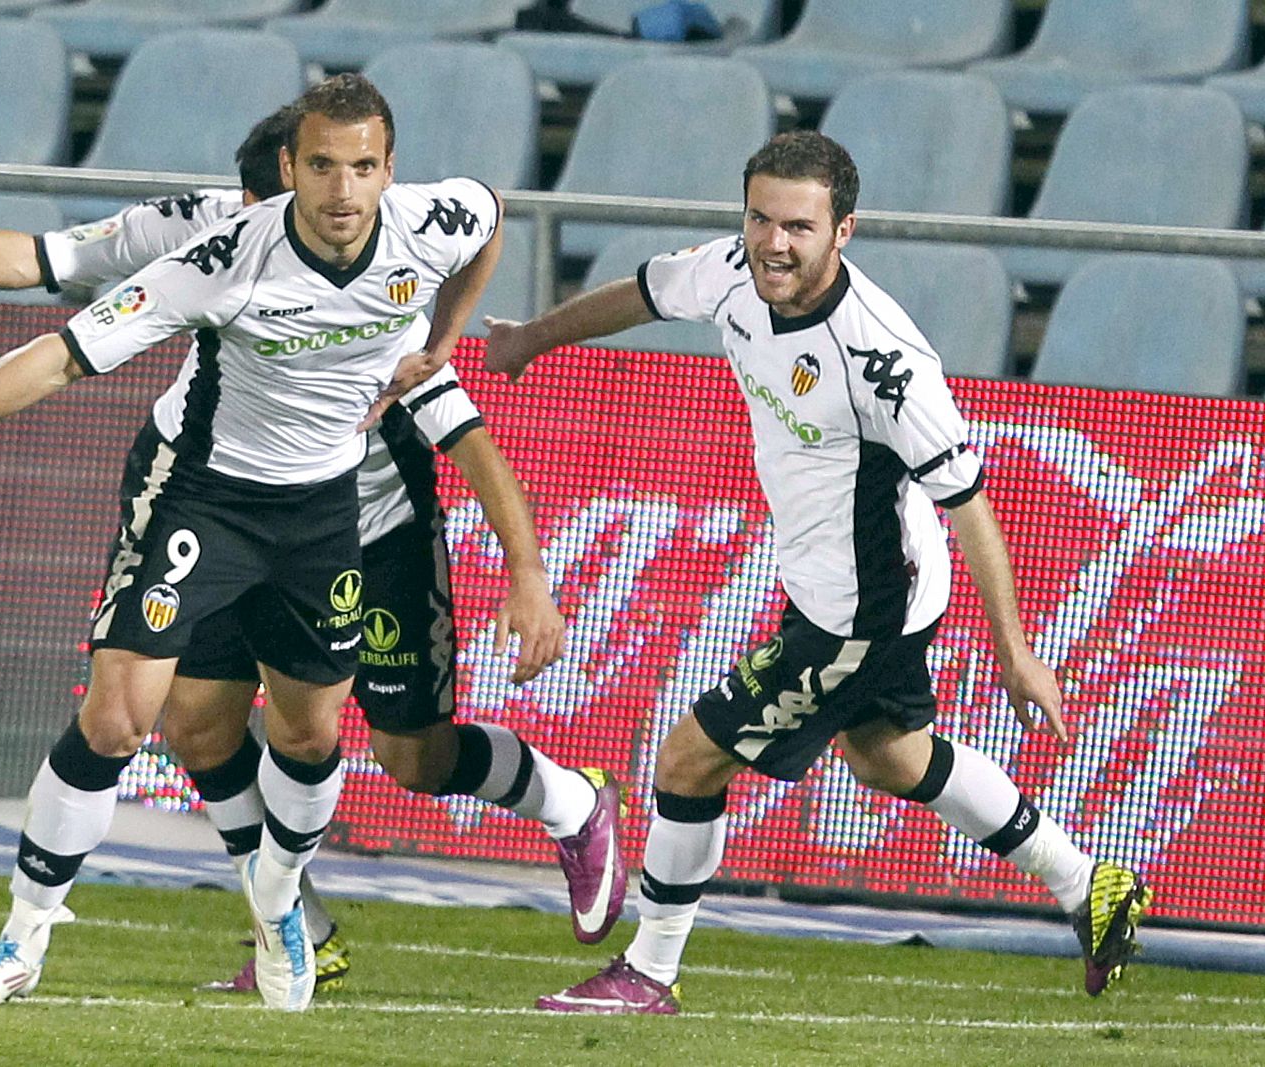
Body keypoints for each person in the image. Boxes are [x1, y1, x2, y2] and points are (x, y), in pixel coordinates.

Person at [0, 75, 623, 1013]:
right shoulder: (219, 253)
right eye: (321, 166)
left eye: (361, 167)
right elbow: (62, 344)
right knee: (127, 717)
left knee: (319, 734)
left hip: (328, 516)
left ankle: (285, 907)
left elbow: (487, 221)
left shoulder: (428, 225)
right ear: (286, 173)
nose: (342, 189)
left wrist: (440, 341)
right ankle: (19, 941)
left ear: (389, 172)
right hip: (206, 500)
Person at [482, 131, 1154, 1014]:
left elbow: (972, 505)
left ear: (845, 230)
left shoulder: (885, 361)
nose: (774, 242)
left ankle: (647, 971)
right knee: (886, 754)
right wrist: (534, 336)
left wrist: (1015, 650)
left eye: (799, 225)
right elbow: (644, 293)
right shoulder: (732, 268)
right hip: (847, 583)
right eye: (761, 218)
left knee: (687, 760)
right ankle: (1088, 884)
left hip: (861, 608)